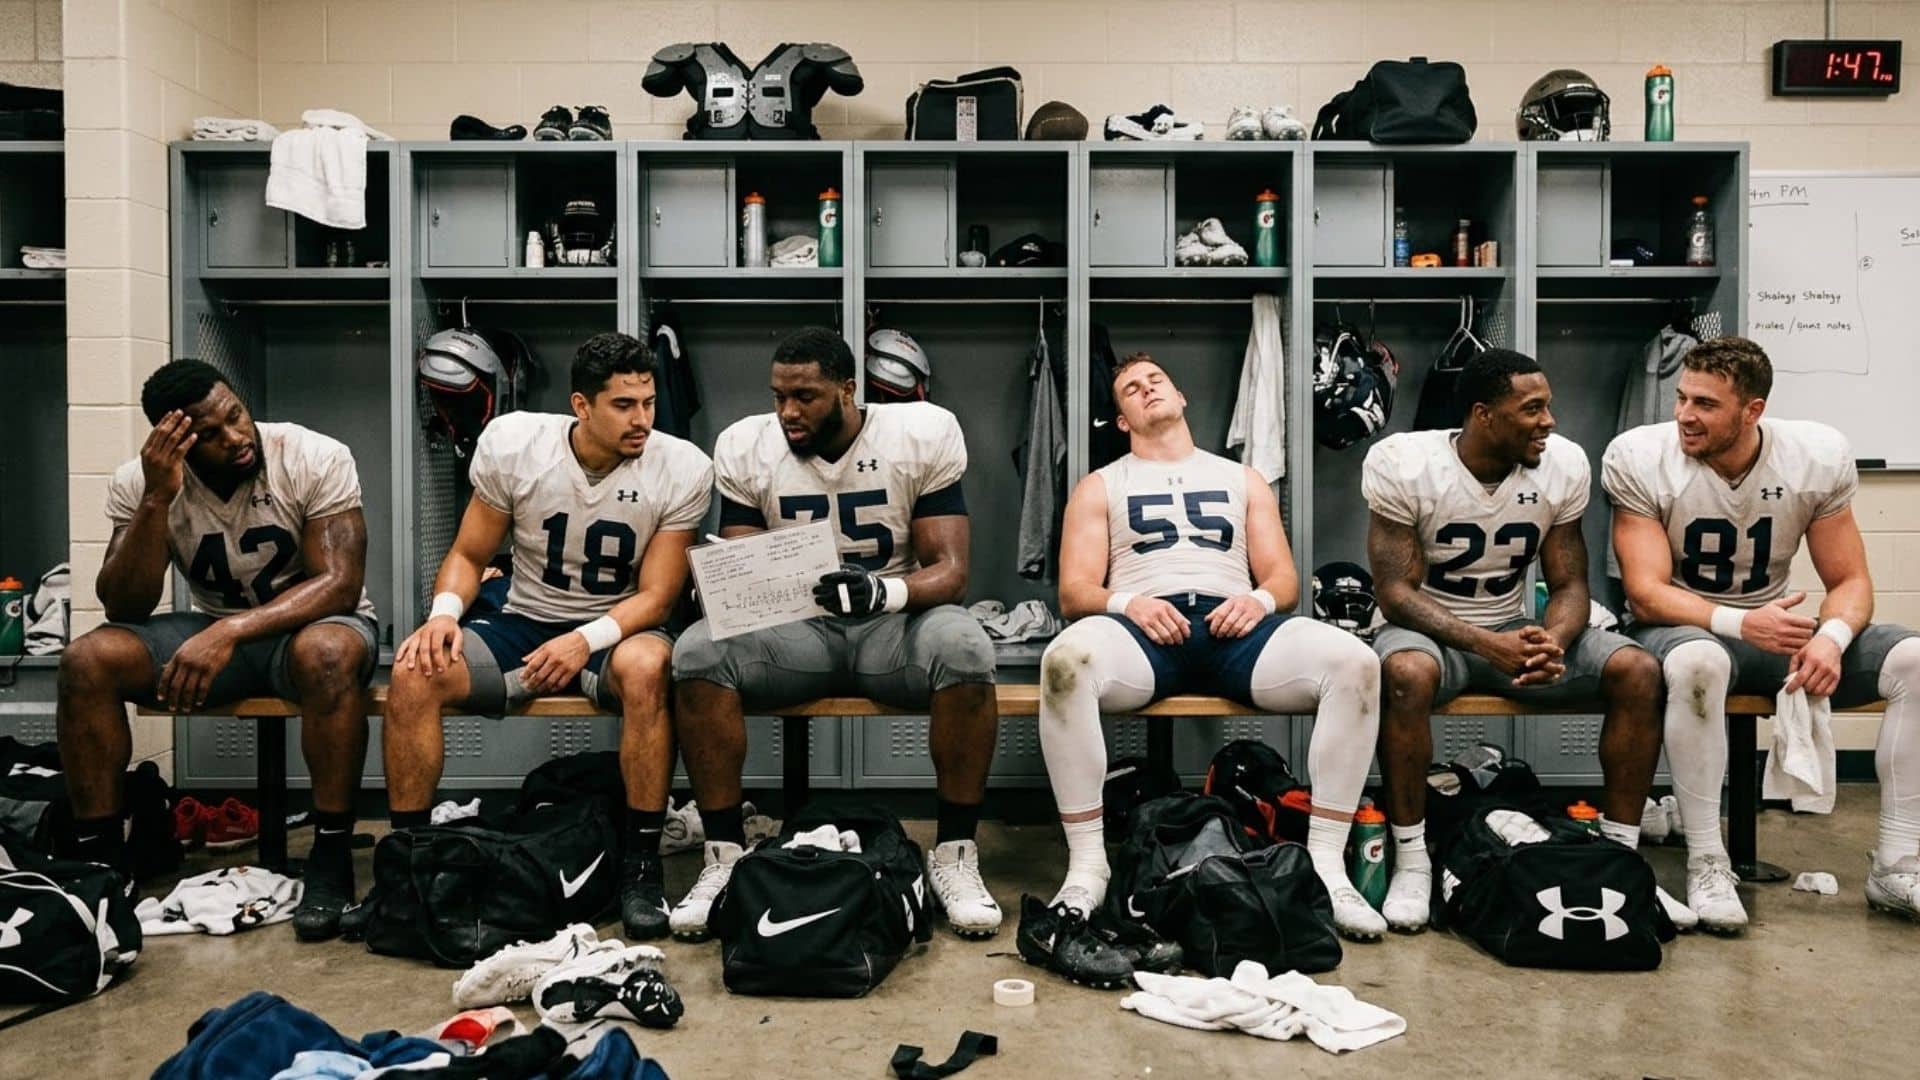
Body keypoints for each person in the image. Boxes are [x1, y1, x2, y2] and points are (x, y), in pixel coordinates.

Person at [1027, 351, 1388, 984]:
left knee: (1356, 662)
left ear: (1181, 395)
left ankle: (1326, 866)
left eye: (1156, 380)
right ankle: (1088, 866)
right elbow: (1074, 591)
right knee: (1066, 661)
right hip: (1145, 632)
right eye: (1131, 389)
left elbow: (1283, 578)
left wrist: (1256, 598)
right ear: (1121, 419)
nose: (1146, 391)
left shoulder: (1240, 477)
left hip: (1234, 627)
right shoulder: (1102, 484)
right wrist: (1129, 602)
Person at [670, 326, 1000, 941]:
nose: (788, 412)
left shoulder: (918, 434)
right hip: (798, 633)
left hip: (893, 626)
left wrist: (883, 590)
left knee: (965, 645)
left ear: (848, 391)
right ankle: (723, 858)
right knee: (696, 651)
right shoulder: (748, 446)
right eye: (778, 396)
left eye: (806, 397)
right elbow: (745, 569)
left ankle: (954, 853)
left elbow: (951, 572)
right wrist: (718, 585)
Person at [381, 332, 712, 940]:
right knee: (413, 671)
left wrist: (585, 640)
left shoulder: (682, 466)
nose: (643, 418)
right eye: (623, 405)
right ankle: (408, 866)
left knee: (647, 668)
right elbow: (468, 551)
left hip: (616, 629)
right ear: (581, 406)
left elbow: (658, 597)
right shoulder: (517, 445)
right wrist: (445, 614)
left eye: (648, 401)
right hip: (522, 620)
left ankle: (640, 867)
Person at [1605, 336, 1920, 929]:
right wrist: (1739, 621)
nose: (1683, 416)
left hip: (1774, 632)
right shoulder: (1642, 456)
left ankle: (1899, 863)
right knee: (1702, 663)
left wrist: (1831, 637)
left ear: (1752, 410)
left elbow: (1851, 580)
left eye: (1705, 404)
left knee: (1914, 659)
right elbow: (1645, 593)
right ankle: (1706, 857)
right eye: (1680, 398)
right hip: (1684, 629)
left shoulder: (1814, 456)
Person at [58, 359, 379, 941]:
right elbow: (124, 605)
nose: (235, 437)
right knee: (86, 661)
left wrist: (228, 633)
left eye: (235, 415)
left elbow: (339, 583)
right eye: (209, 434)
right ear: (175, 441)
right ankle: (100, 866)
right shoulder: (142, 482)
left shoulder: (310, 455)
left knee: (328, 654)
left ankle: (330, 858)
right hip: (213, 629)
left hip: (307, 631)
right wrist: (157, 499)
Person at [1364, 348, 1670, 934]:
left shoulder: (1562, 466)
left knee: (1638, 670)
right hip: (1434, 632)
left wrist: (1551, 640)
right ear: (1484, 415)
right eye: (1531, 409)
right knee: (1404, 675)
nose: (1549, 421)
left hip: (1515, 629)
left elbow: (1570, 581)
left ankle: (1621, 854)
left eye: (1548, 406)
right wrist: (1486, 644)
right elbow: (1395, 593)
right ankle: (1411, 859)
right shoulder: (1406, 464)